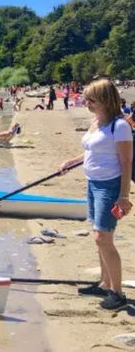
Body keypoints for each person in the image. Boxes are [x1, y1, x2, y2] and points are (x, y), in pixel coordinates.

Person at [59, 79, 133, 311]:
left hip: (109, 186)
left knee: (103, 238)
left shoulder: (119, 126)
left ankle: (117, 293)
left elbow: (126, 161)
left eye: (91, 99)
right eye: (86, 98)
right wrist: (71, 162)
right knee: (98, 236)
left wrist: (124, 195)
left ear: (106, 100)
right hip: (92, 183)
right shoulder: (97, 122)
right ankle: (104, 283)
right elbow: (91, 151)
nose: (86, 103)